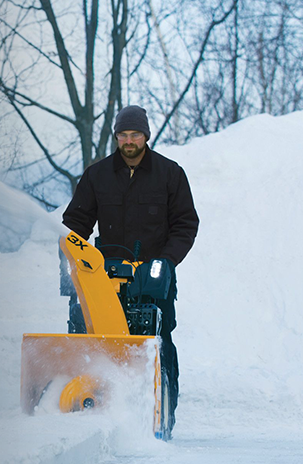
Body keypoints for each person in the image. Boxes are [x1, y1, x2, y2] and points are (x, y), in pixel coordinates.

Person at [62, 105, 199, 438]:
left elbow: (185, 223)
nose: (128, 141)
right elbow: (75, 224)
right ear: (116, 137)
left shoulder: (169, 174)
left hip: (152, 278)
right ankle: (89, 410)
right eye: (123, 135)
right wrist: (76, 264)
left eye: (135, 134)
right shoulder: (98, 175)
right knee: (91, 341)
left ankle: (161, 416)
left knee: (159, 343)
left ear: (146, 135)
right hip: (104, 277)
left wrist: (166, 261)